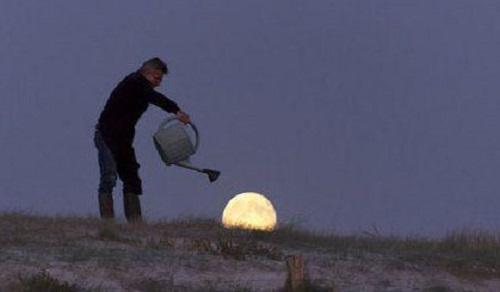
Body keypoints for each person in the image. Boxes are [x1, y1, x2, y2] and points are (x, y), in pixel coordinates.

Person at [94, 57, 190, 222]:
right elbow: (155, 97)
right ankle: (107, 223)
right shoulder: (134, 83)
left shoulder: (141, 87)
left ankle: (135, 222)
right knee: (109, 176)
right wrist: (176, 111)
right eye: (156, 78)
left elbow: (151, 95)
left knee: (131, 177)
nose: (158, 83)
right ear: (147, 73)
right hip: (107, 135)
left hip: (124, 140)